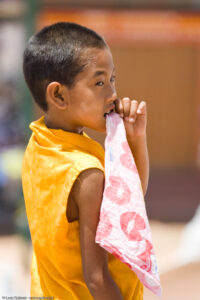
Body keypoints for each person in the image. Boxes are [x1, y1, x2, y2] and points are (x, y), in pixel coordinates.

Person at [22, 22, 149, 300]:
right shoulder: (87, 174)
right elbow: (96, 279)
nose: (113, 95)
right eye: (99, 83)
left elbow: (128, 207)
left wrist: (135, 139)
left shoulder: (40, 143)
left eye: (112, 79)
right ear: (58, 94)